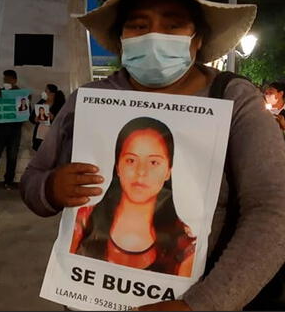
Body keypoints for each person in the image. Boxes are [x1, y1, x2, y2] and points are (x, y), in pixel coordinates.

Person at [20, 0, 285, 310]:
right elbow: (32, 181)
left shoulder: (234, 99)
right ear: (121, 38)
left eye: (173, 25)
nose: (154, 36)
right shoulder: (88, 101)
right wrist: (51, 188)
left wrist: (201, 305)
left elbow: (277, 210)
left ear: (197, 38)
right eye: (139, 25)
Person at [70, 117, 195, 277]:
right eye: (131, 160)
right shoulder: (84, 220)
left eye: (154, 162)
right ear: (117, 167)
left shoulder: (184, 244)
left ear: (168, 171)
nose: (141, 171)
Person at [29, 84, 66, 151]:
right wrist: (35, 119)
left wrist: (53, 118)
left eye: (46, 91)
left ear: (52, 93)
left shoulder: (59, 105)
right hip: (39, 135)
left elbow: (63, 120)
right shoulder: (41, 102)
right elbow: (31, 117)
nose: (44, 93)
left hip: (52, 135)